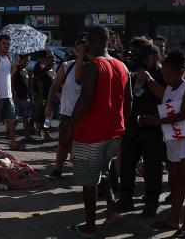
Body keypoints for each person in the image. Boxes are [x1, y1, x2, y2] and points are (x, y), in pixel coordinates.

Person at [63, 27, 130, 238]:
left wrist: (69, 126)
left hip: (91, 134)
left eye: (87, 41)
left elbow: (85, 100)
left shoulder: (93, 66)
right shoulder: (122, 66)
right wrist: (123, 126)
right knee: (102, 174)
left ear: (93, 41)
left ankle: (90, 226)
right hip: (114, 133)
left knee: (88, 181)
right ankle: (111, 211)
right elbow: (129, 101)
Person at [138, 51, 185, 238]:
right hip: (175, 142)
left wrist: (154, 122)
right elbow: (166, 106)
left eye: (169, 74)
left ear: (181, 71)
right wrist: (151, 117)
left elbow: (184, 114)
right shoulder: (170, 89)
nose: (166, 77)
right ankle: (173, 219)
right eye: (164, 74)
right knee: (176, 183)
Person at [117, 42, 166, 218]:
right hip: (132, 127)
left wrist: (149, 80)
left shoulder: (162, 74)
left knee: (153, 167)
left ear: (155, 57)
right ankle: (125, 198)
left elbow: (165, 96)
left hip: (153, 128)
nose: (142, 61)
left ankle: (152, 202)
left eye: (145, 57)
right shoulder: (132, 73)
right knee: (127, 164)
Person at [46, 39, 87, 179]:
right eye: (79, 49)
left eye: (84, 49)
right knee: (63, 143)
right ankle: (58, 169)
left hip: (86, 115)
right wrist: (49, 105)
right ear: (75, 51)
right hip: (67, 113)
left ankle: (80, 171)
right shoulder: (67, 66)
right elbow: (54, 86)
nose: (82, 52)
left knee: (82, 145)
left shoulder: (93, 67)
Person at [0, 34, 23, 150]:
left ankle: (13, 144)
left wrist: (16, 63)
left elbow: (9, 75)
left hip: (7, 95)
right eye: (4, 43)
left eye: (8, 44)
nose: (6, 46)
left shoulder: (8, 57)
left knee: (11, 120)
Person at [32, 51, 56, 142]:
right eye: (51, 60)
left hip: (52, 96)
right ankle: (46, 133)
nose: (53, 62)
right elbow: (39, 84)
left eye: (54, 61)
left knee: (48, 116)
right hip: (45, 97)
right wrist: (41, 97)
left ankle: (43, 130)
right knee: (46, 116)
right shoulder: (43, 71)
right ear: (46, 61)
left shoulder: (53, 71)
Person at [12, 54, 35, 143]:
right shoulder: (16, 70)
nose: (26, 63)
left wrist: (30, 94)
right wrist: (14, 95)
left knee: (26, 117)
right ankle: (10, 135)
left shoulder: (26, 70)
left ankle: (27, 135)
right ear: (20, 60)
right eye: (25, 61)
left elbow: (28, 84)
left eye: (28, 61)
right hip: (18, 97)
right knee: (14, 119)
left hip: (26, 97)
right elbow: (12, 83)